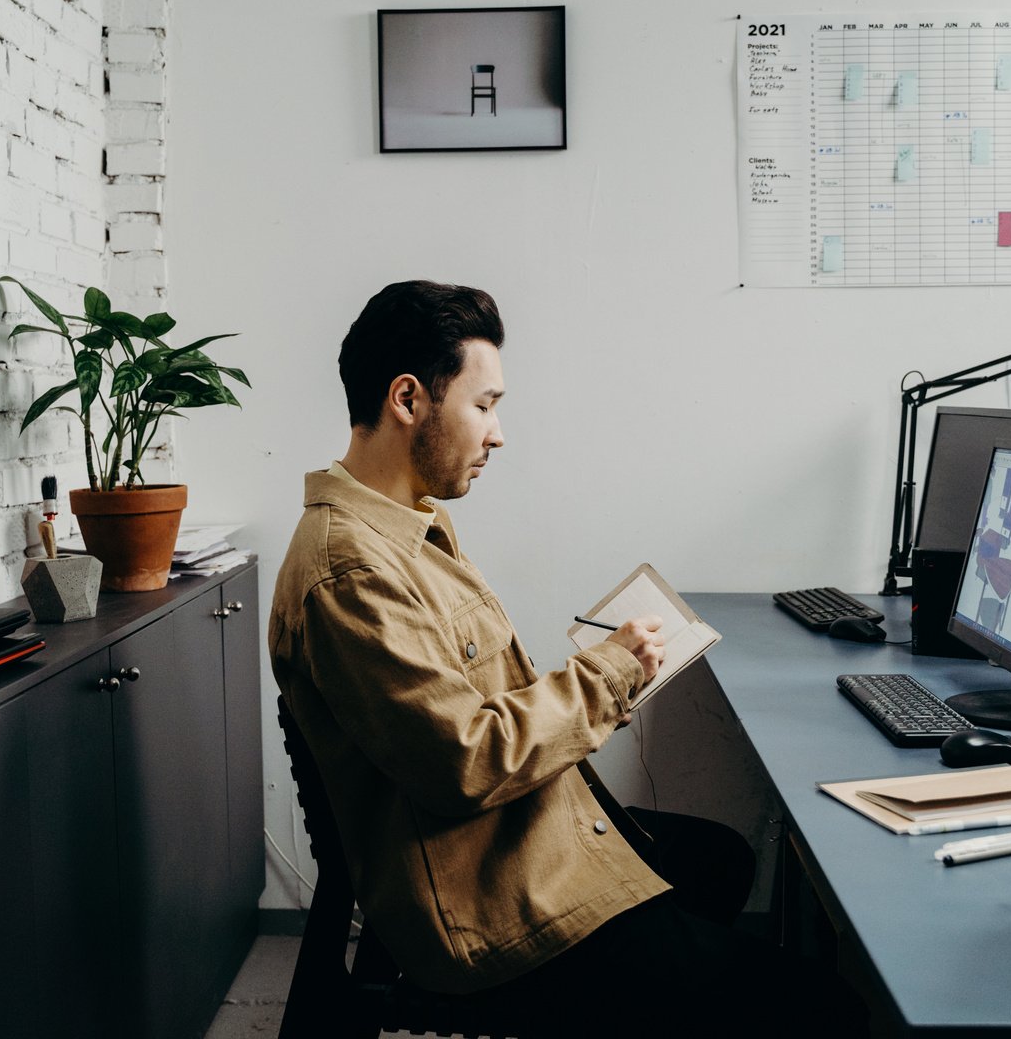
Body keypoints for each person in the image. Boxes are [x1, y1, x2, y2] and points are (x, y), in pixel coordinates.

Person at [269, 280, 833, 1034]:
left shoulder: (407, 525)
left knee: (723, 860)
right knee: (824, 1007)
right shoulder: (353, 571)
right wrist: (607, 672)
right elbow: (467, 760)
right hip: (486, 907)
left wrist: (609, 671)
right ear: (408, 400)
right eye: (484, 404)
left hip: (514, 840)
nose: (497, 433)